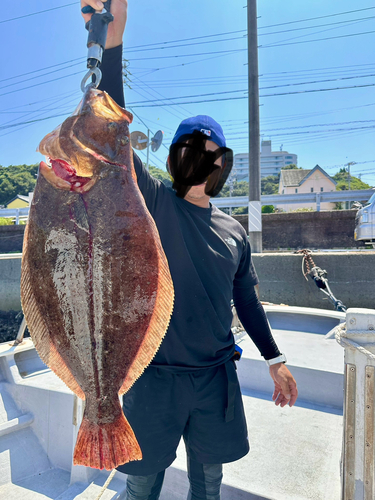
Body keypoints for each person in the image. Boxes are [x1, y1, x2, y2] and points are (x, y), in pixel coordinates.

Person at [81, 2, 298, 499]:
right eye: (188, 149)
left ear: (223, 165)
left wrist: (275, 357)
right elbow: (111, 131)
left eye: (210, 152)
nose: (200, 158)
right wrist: (110, 42)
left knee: (209, 485)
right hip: (152, 379)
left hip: (216, 379)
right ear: (175, 157)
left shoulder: (234, 231)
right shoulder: (152, 201)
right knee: (141, 484)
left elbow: (246, 302)